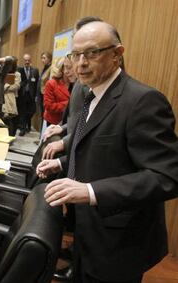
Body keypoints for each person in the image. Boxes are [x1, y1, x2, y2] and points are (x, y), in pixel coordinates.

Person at [37, 20, 178, 282]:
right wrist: (61, 164)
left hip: (120, 238)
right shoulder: (86, 93)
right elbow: (101, 151)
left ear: (117, 54)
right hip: (86, 227)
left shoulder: (143, 101)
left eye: (92, 53)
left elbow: (167, 176)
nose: (81, 63)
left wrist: (90, 191)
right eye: (76, 55)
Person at [43, 57, 71, 126]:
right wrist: (69, 104)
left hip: (70, 121)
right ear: (62, 69)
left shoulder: (76, 84)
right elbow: (48, 106)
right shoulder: (51, 83)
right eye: (68, 67)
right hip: (54, 121)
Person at [17, 54, 39, 136]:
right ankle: (23, 129)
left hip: (31, 95)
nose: (27, 62)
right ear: (23, 61)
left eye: (28, 60)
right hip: (22, 94)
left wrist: (36, 95)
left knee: (31, 111)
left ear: (30, 61)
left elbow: (37, 84)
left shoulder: (35, 71)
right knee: (22, 112)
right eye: (25, 60)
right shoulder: (19, 70)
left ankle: (28, 124)